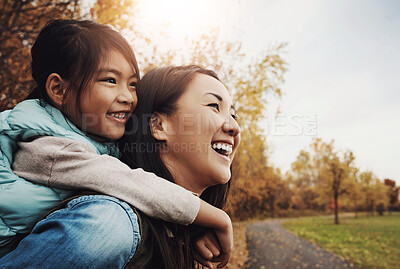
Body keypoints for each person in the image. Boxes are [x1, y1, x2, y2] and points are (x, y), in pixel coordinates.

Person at [0, 20, 232, 268]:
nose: (128, 97)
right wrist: (212, 216)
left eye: (133, 84)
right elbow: (126, 181)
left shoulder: (95, 143)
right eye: (110, 80)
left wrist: (182, 230)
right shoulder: (48, 146)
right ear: (59, 89)